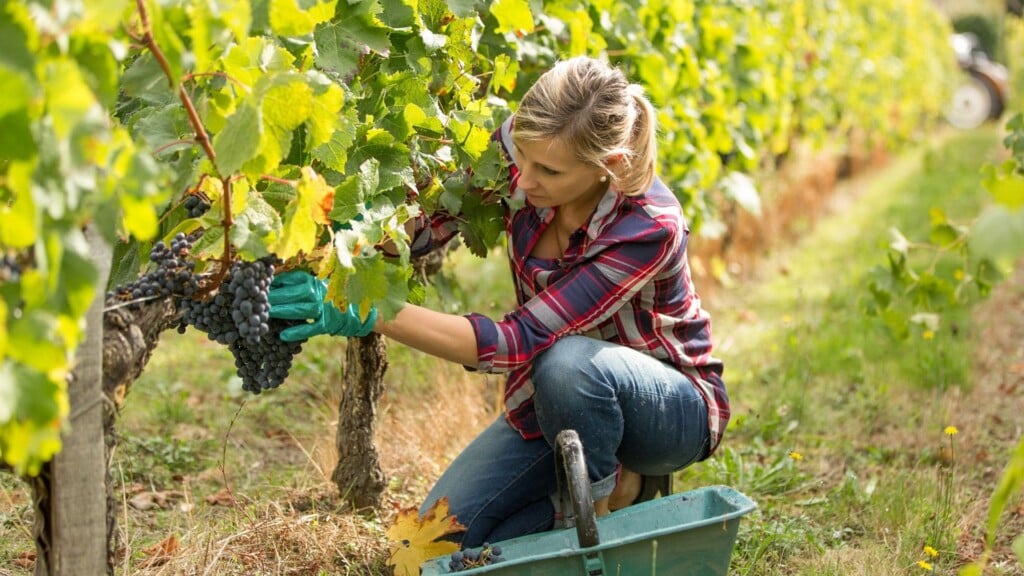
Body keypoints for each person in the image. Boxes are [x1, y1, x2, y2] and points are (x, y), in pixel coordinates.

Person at [268, 56, 729, 548]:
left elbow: (518, 342)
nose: (523, 180)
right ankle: (585, 491)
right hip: (551, 403)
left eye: (547, 171)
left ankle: (603, 510)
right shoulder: (524, 149)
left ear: (608, 167)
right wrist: (344, 236)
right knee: (431, 545)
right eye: (522, 158)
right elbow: (430, 221)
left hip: (666, 411)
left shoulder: (646, 227)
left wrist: (372, 311)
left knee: (568, 363)